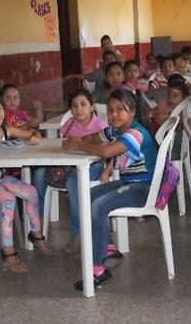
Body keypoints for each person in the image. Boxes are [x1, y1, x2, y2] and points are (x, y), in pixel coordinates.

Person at [64, 89, 158, 290]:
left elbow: (106, 151)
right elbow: (96, 138)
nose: (114, 114)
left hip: (143, 188)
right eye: (111, 110)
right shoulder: (117, 130)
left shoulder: (135, 133)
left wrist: (78, 144)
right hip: (129, 183)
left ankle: (97, 269)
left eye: (120, 110)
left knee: (98, 206)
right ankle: (108, 248)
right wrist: (78, 139)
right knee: (87, 197)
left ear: (132, 112)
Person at [0, 92, 51, 273]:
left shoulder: (7, 130)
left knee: (31, 192)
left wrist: (35, 136)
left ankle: (35, 234)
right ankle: (8, 251)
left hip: (1, 177)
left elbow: (31, 133)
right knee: (8, 199)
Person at [37, 90, 109, 254]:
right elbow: (63, 145)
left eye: (83, 104)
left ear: (91, 107)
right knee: (39, 172)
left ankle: (78, 233)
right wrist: (66, 146)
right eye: (74, 106)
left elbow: (104, 151)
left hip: (94, 166)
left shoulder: (100, 126)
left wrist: (79, 146)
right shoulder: (69, 124)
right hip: (69, 165)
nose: (79, 109)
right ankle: (38, 220)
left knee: (73, 182)